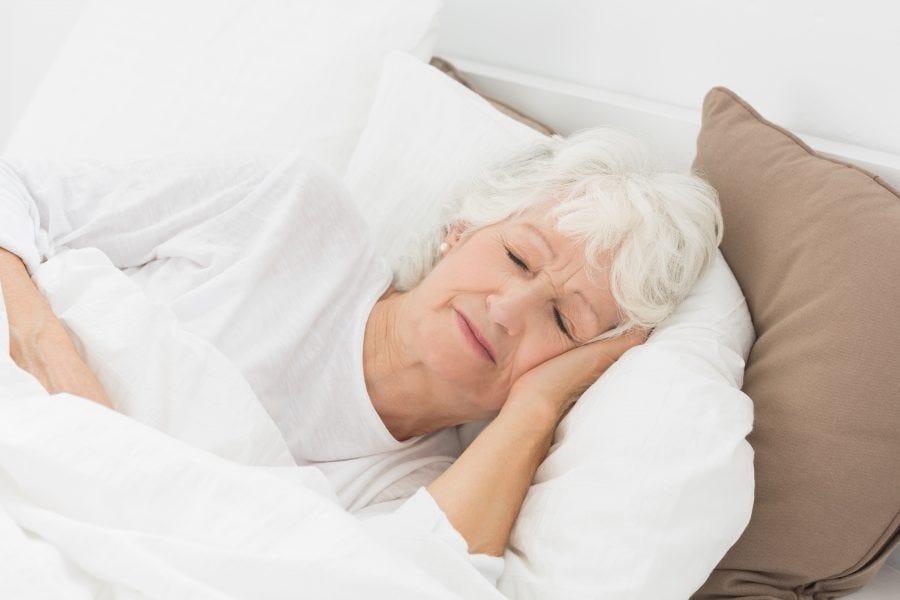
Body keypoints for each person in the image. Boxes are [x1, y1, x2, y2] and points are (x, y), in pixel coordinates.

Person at [0, 128, 721, 566]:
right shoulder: (288, 210)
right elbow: (17, 192)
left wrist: (535, 409)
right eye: (518, 258)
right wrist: (45, 341)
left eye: (563, 322)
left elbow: (420, 582)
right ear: (461, 231)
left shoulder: (410, 493)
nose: (507, 310)